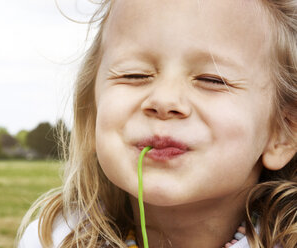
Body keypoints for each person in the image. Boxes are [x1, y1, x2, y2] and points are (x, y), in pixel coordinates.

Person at [17, 0, 297, 247]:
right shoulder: (54, 239)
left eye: (211, 80)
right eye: (134, 75)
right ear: (92, 115)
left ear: (283, 132)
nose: (164, 101)